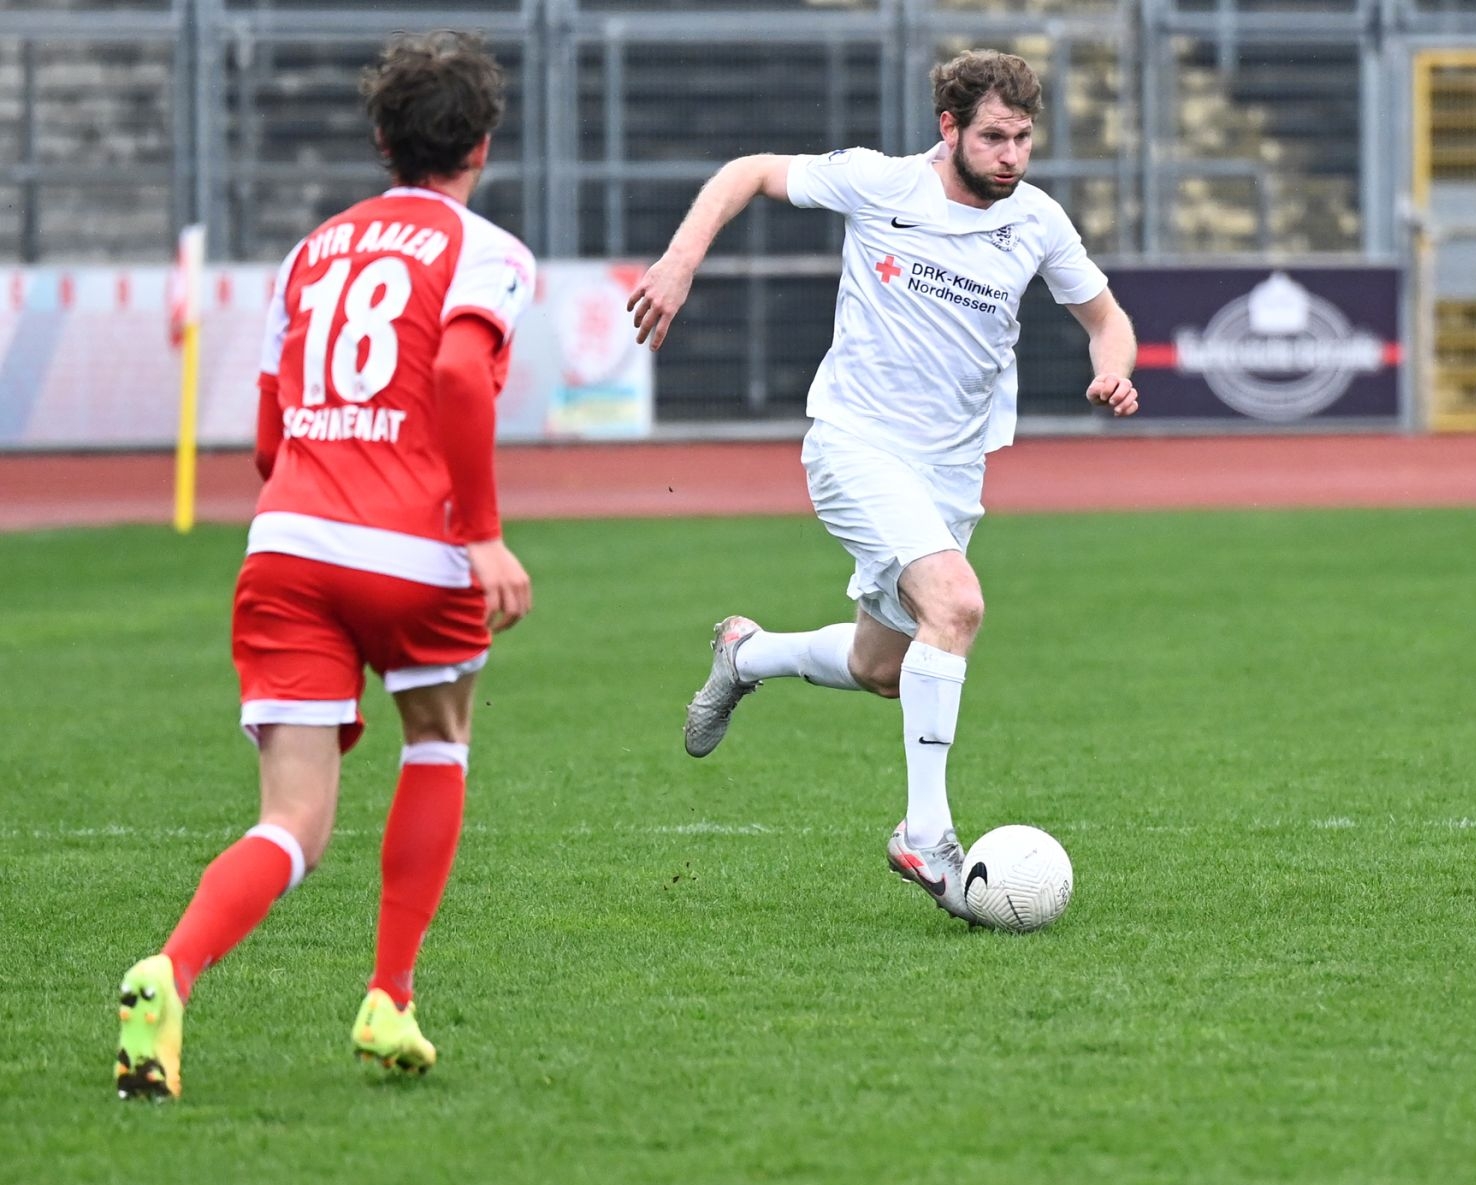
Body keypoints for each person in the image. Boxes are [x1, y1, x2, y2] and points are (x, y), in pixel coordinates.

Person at [114, 31, 536, 1099]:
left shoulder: (309, 253)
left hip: (288, 547)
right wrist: (482, 532)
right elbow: (458, 372)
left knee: (292, 821)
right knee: (437, 738)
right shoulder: (487, 251)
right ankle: (389, 994)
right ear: (481, 146)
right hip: (415, 549)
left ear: (382, 141)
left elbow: (268, 439)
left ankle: (172, 970)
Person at [627, 49, 1138, 923]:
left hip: (950, 474)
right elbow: (748, 171)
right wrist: (679, 263)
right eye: (993, 137)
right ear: (949, 128)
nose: (1012, 155)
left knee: (882, 670)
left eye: (1023, 138)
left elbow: (1105, 317)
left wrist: (1113, 368)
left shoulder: (1038, 221)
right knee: (958, 605)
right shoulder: (880, 183)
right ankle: (926, 834)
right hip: (856, 445)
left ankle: (745, 656)